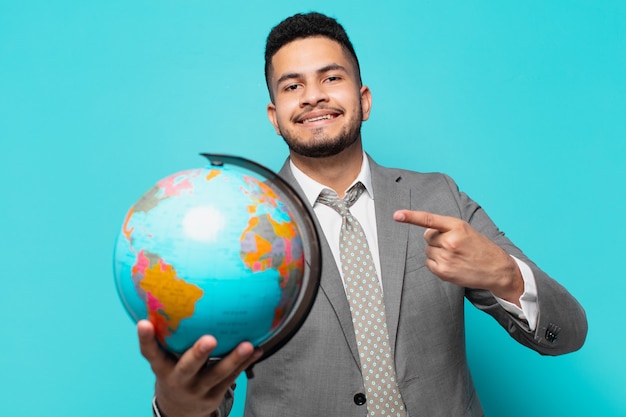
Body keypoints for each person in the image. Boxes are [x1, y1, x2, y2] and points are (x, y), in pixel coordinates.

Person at [137, 12, 587, 417]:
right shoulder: (239, 227)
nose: (313, 97)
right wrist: (177, 408)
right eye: (293, 86)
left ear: (364, 99)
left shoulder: (439, 196)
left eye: (331, 78)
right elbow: (205, 393)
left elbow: (567, 332)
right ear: (275, 116)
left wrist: (506, 276)